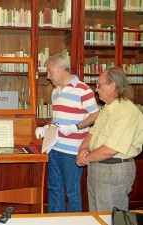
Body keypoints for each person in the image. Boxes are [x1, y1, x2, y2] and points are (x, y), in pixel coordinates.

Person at [35, 54, 99, 213]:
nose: (48, 76)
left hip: (72, 152)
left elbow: (96, 115)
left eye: (49, 71)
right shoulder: (55, 91)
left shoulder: (83, 90)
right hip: (54, 147)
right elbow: (56, 118)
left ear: (60, 68)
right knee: (54, 189)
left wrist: (75, 127)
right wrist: (45, 127)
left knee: (72, 192)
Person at [76, 66, 143, 211]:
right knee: (96, 215)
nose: (96, 89)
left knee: (110, 217)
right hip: (97, 166)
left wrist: (85, 158)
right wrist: (82, 149)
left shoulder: (127, 112)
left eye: (100, 85)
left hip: (114, 170)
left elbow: (111, 149)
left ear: (113, 86)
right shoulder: (106, 109)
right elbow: (92, 134)